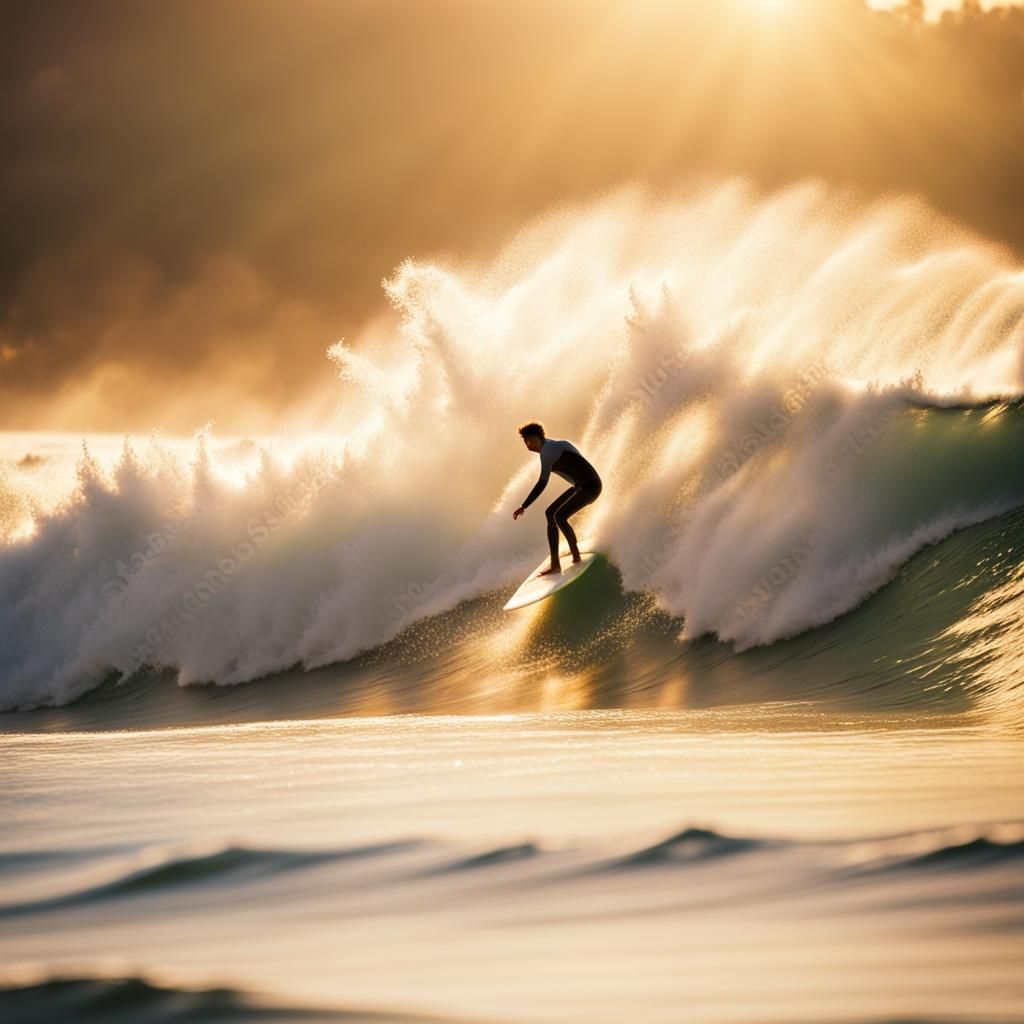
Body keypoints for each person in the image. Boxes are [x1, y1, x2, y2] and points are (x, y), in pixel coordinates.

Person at [512, 422, 602, 576]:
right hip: (586, 485)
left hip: (588, 486)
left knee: (559, 516)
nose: (527, 446)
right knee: (550, 513)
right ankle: (557, 562)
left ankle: (574, 557)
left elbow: (542, 483)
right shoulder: (559, 444)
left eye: (527, 441)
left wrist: (524, 506)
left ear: (535, 438)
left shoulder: (546, 453)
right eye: (525, 443)